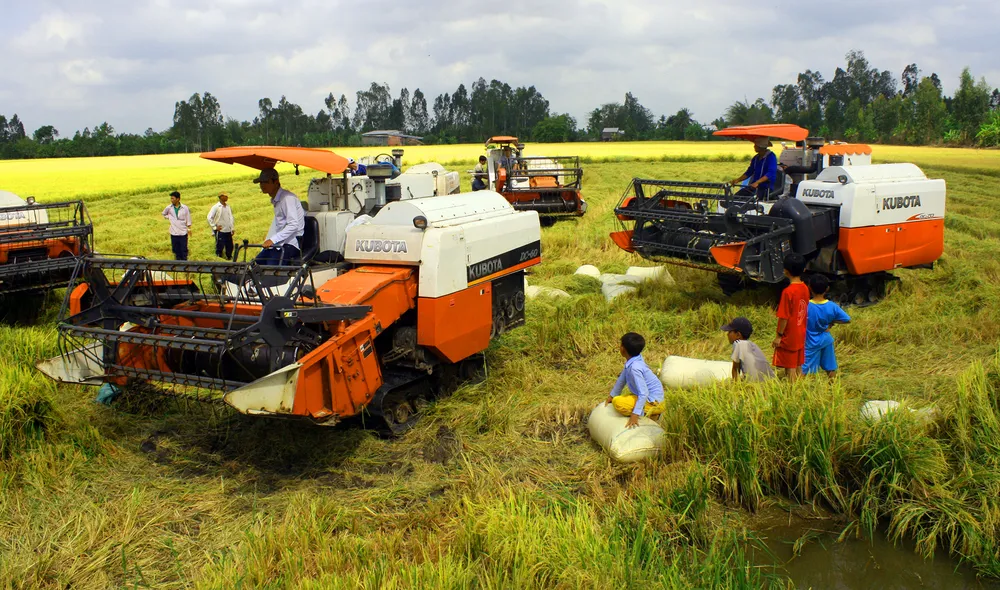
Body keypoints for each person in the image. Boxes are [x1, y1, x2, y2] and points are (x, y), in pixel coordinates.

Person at [605, 332, 665, 429]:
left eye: (621, 345)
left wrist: (635, 415)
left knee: (618, 402)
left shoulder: (634, 368)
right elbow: (622, 379)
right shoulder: (635, 360)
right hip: (648, 396)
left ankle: (653, 413)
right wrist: (611, 396)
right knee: (618, 398)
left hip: (654, 401)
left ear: (623, 349)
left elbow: (644, 393)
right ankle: (649, 412)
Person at [252, 168, 305, 265]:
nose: (262, 185)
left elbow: (293, 225)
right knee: (257, 263)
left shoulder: (287, 198)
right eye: (261, 182)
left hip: (292, 243)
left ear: (276, 182)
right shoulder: (277, 199)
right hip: (280, 243)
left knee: (271, 267)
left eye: (266, 182)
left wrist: (272, 239)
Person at [804, 275, 851, 378]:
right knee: (830, 367)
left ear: (809, 287)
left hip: (809, 341)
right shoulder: (832, 306)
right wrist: (832, 322)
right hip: (826, 339)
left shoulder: (806, 305)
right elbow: (847, 319)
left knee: (804, 368)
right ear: (827, 288)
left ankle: (798, 389)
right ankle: (833, 387)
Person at [772, 252, 809, 381]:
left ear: (786, 271)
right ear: (804, 269)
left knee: (790, 367)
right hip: (801, 332)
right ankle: (801, 388)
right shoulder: (805, 288)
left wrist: (779, 336)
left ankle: (793, 393)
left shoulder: (788, 292)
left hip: (789, 335)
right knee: (798, 364)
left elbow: (784, 317)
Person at [721, 317, 775, 382]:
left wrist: (735, 388)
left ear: (738, 335)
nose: (727, 334)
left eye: (730, 331)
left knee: (727, 381)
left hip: (753, 385)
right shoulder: (753, 345)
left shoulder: (737, 344)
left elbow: (735, 370)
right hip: (771, 382)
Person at [161, 190, 192, 260]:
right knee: (175, 249)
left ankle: (184, 263)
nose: (171, 200)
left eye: (173, 198)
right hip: (173, 232)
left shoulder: (185, 208)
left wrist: (189, 228)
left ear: (178, 199)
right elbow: (163, 214)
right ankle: (178, 263)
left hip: (183, 231)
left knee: (183, 249)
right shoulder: (169, 207)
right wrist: (169, 217)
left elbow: (188, 218)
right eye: (171, 198)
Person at [206, 192, 235, 260]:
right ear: (221, 197)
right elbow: (209, 217)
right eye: (225, 196)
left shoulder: (228, 206)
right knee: (220, 246)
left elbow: (231, 217)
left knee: (230, 246)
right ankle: (219, 259)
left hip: (228, 230)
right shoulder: (216, 207)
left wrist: (232, 228)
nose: (227, 197)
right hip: (220, 231)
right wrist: (215, 227)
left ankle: (229, 257)